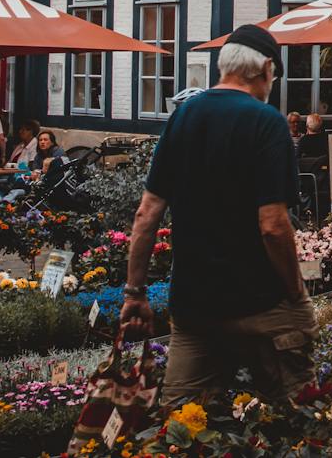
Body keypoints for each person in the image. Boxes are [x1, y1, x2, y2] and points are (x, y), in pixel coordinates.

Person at [118, 24, 311, 408]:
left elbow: (146, 214)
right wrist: (295, 292)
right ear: (266, 68)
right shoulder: (266, 122)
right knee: (300, 416)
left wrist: (135, 292)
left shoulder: (183, 117)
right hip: (262, 303)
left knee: (181, 425)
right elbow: (273, 225)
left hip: (196, 307)